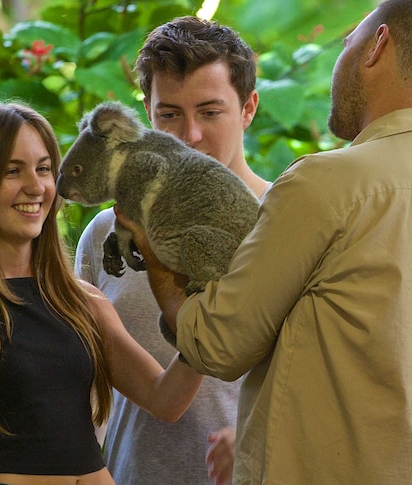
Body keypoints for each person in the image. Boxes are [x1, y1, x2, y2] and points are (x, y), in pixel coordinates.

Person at [117, 0, 412, 483]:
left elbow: (215, 345)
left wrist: (152, 247)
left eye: (348, 41)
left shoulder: (328, 184)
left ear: (378, 46)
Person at [0, 100, 204, 484]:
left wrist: (208, 310)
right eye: (13, 171)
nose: (36, 186)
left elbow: (166, 400)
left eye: (44, 169)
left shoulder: (82, 302)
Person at [73, 16, 269, 485]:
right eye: (169, 114)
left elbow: (334, 378)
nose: (190, 135)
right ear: (145, 115)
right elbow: (84, 392)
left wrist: (262, 438)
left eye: (210, 111)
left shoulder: (284, 225)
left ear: (248, 108)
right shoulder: (105, 233)